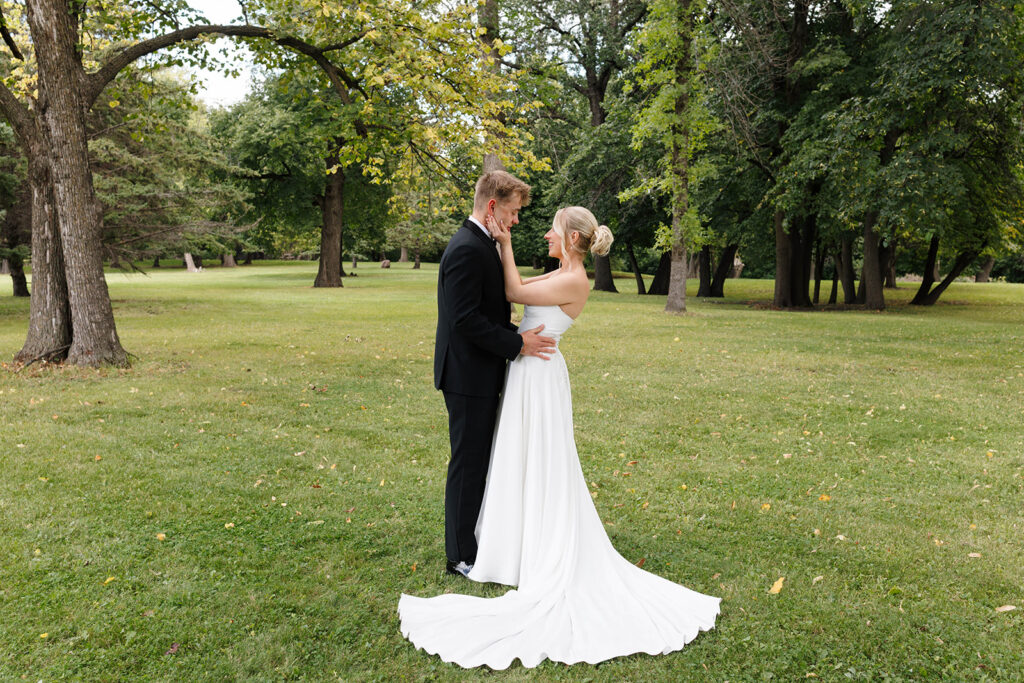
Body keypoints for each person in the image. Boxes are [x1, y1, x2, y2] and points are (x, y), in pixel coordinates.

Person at [400, 207, 721, 669]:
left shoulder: (574, 280)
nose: (546, 235)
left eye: (552, 228)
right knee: (517, 457)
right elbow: (517, 298)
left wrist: (504, 243)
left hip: (540, 376)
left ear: (571, 238)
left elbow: (513, 291)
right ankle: (513, 539)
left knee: (542, 459)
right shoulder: (561, 270)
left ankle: (538, 543)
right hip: (526, 371)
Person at [433, 170, 556, 578]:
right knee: (468, 463)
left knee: (479, 461)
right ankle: (460, 556)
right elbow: (465, 319)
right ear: (492, 206)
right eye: (514, 211)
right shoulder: (467, 248)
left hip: (481, 372)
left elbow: (487, 309)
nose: (517, 219)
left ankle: (474, 541)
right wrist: (518, 344)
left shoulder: (484, 243)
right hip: (467, 376)